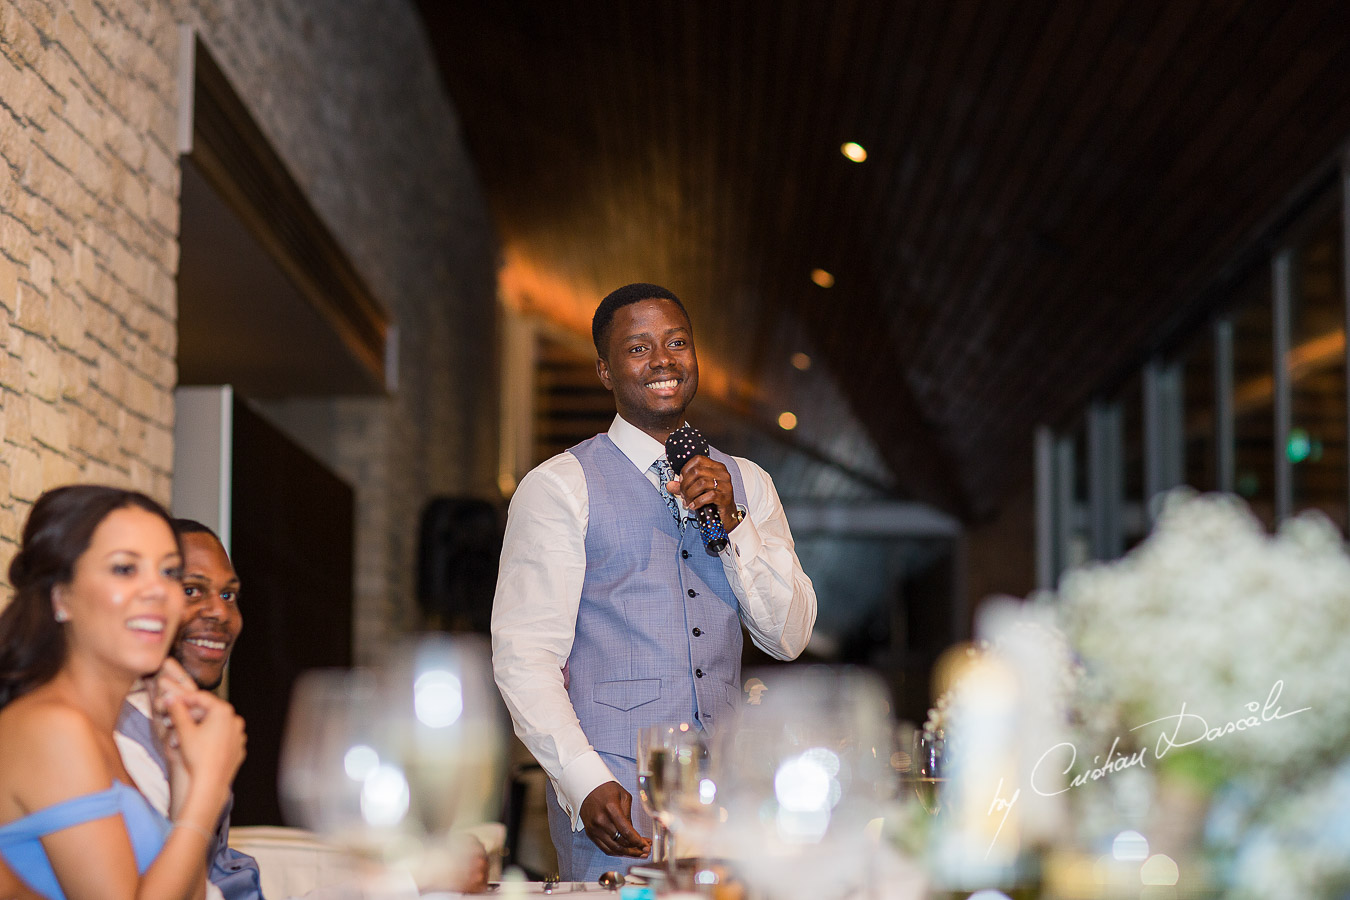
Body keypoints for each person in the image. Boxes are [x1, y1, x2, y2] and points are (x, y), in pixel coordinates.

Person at [492, 283, 817, 881]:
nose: (663, 359)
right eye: (638, 347)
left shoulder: (747, 482)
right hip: (616, 805)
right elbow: (524, 657)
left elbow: (789, 636)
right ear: (605, 371)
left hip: (728, 809)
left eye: (677, 343)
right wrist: (584, 780)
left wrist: (734, 523)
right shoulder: (561, 485)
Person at [0, 485, 247, 900]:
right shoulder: (52, 727)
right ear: (61, 596)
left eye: (168, 572)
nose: (156, 591)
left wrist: (186, 776)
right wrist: (207, 788)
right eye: (124, 569)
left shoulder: (98, 730)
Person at [115, 520, 261, 900]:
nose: (220, 612)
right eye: (193, 590)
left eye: (229, 596)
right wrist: (208, 781)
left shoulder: (182, 718)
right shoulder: (117, 736)